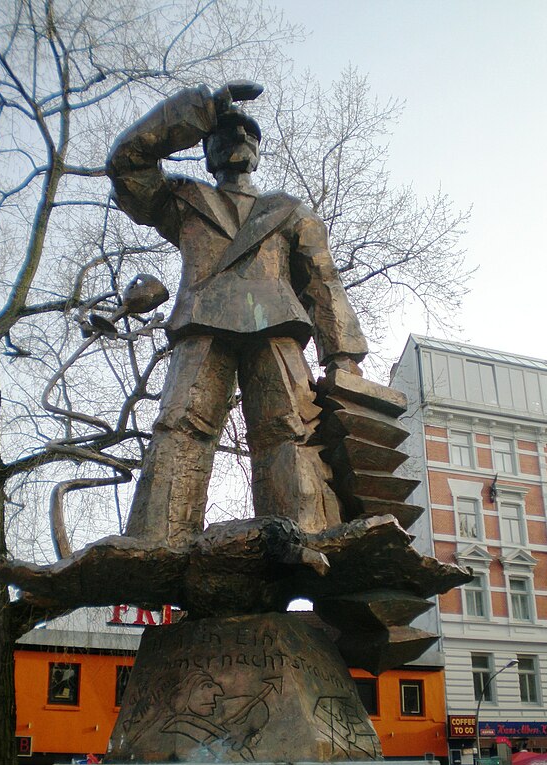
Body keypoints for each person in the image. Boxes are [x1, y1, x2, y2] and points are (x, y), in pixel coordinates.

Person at [107, 81, 368, 549]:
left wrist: (343, 355)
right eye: (224, 133)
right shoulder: (182, 199)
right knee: (180, 426)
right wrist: (201, 108)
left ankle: (307, 534)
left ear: (258, 151)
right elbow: (126, 164)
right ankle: (158, 537)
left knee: (289, 429)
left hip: (276, 326)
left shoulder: (289, 211)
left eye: (248, 132)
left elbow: (322, 282)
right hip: (202, 323)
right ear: (205, 148)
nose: (237, 138)